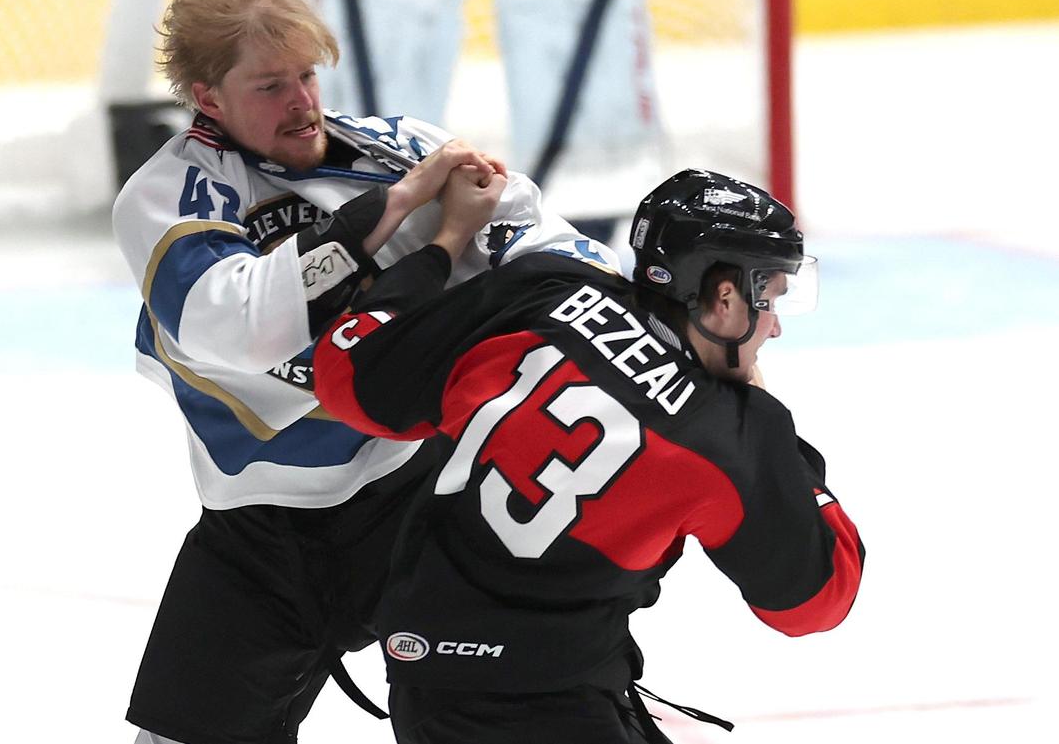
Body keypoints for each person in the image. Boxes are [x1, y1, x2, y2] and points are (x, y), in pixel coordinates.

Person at [111, 0, 619, 744]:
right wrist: (401, 209)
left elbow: (548, 244)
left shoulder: (396, 146)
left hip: (422, 497)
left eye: (307, 75)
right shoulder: (167, 196)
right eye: (270, 85)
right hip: (262, 530)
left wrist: (594, 297)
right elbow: (238, 325)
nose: (302, 102)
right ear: (208, 97)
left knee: (522, 709)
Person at [313, 168, 866, 743]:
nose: (774, 328)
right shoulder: (729, 434)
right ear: (725, 298)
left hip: (423, 680)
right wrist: (772, 429)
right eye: (771, 299)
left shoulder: (546, 286)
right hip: (554, 703)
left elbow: (345, 377)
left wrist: (444, 244)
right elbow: (817, 601)